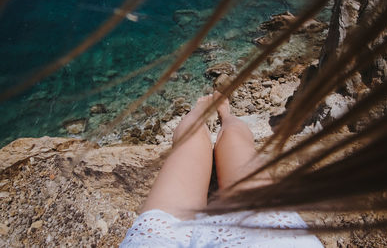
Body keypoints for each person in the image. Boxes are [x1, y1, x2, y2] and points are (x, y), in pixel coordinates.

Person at [120, 92, 323, 247]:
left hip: (163, 240)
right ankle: (226, 115)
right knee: (236, 139)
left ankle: (200, 112)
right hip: (267, 238)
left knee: (188, 141)